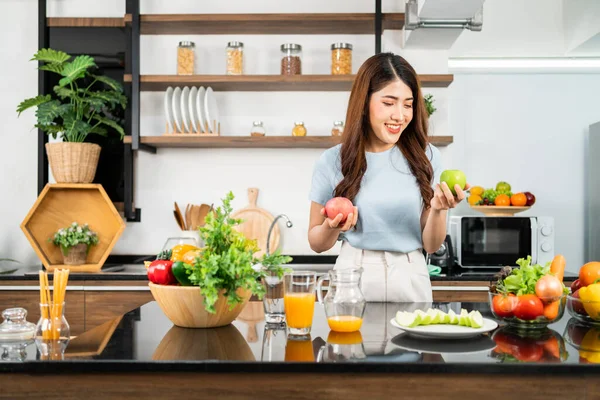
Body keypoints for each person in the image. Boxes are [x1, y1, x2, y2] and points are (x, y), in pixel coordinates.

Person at [308, 52, 469, 302]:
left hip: (410, 276)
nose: (400, 115)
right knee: (350, 341)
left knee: (410, 342)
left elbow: (431, 246)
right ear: (364, 103)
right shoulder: (333, 160)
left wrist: (439, 209)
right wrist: (331, 228)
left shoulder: (427, 157)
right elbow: (316, 243)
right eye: (389, 102)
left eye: (407, 104)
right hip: (352, 278)